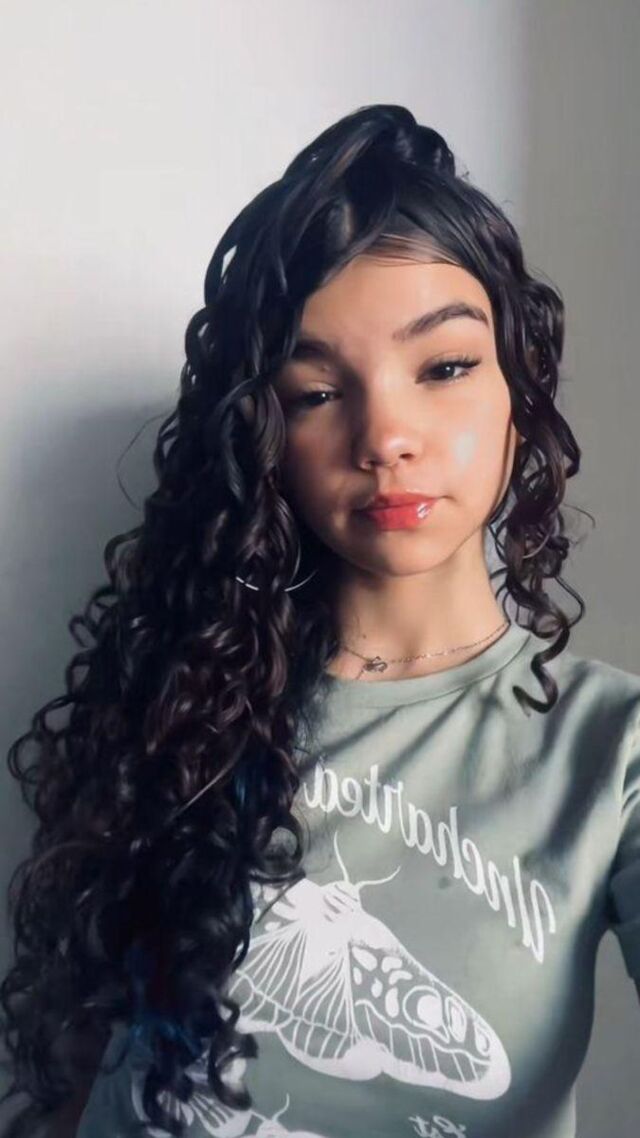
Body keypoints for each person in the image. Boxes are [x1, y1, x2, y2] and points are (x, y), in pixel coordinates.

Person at [0, 104, 638, 1138]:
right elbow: (84, 1073)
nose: (385, 435)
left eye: (443, 367)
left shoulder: (611, 751)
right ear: (265, 439)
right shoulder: (179, 702)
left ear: (520, 390)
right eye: (314, 392)